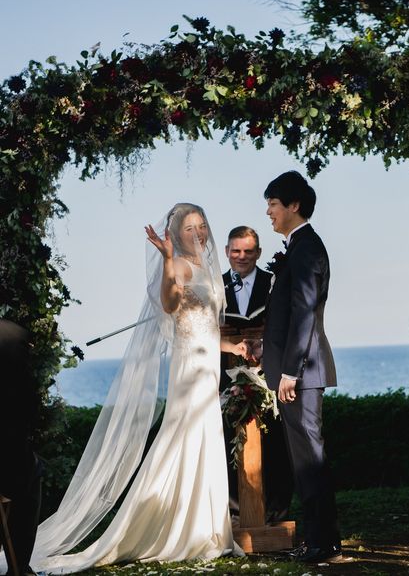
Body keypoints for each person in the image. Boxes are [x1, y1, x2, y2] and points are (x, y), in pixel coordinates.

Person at [29, 203, 245, 574]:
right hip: (190, 368)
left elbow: (206, 323)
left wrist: (232, 347)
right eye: (189, 227)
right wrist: (167, 261)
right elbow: (171, 306)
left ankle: (206, 527)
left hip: (208, 362)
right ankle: (176, 527)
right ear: (176, 234)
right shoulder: (179, 265)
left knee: (205, 436)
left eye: (201, 225)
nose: (198, 232)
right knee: (183, 436)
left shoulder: (208, 267)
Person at [256, 171, 341, 563]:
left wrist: (290, 371)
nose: (268, 212)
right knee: (304, 459)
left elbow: (305, 312)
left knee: (310, 459)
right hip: (295, 372)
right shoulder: (298, 247)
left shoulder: (306, 248)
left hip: (301, 374)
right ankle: (320, 539)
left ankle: (323, 543)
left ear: (294, 205)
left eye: (273, 204)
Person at [220, 226, 293, 523]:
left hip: (268, 369)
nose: (242, 256)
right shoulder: (215, 286)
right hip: (225, 371)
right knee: (228, 438)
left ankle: (276, 509)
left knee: (274, 439)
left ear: (259, 253)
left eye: (248, 251)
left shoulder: (272, 281)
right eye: (236, 251)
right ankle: (234, 510)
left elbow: (285, 321)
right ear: (226, 252)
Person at [0, 319, 42, 576]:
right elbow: (28, 410)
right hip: (7, 464)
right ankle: (20, 565)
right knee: (30, 473)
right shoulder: (13, 336)